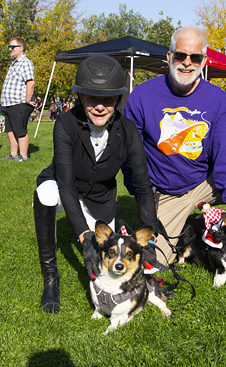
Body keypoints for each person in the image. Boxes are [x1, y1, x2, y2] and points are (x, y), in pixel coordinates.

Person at [124, 26, 226, 287]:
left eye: (195, 58)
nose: (187, 63)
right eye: (180, 56)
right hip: (165, 192)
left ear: (204, 61)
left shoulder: (218, 100)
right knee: (157, 260)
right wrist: (141, 194)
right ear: (169, 57)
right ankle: (189, 229)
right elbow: (129, 155)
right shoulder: (141, 96)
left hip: (206, 182)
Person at [33, 55, 158, 314]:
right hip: (62, 187)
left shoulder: (129, 130)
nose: (100, 107)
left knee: (108, 259)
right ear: (80, 97)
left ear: (117, 100)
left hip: (100, 198)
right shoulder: (65, 123)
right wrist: (84, 235)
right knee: (45, 193)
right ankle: (51, 277)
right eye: (92, 99)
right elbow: (66, 184)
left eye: (108, 100)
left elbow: (143, 186)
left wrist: (151, 234)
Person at [0, 37, 35, 162]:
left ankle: (24, 157)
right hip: (9, 103)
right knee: (10, 130)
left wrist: (27, 99)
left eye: (12, 47)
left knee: (20, 131)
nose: (10, 49)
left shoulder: (25, 63)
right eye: (9, 47)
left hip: (19, 103)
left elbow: (30, 82)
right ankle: (13, 154)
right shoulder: (14, 64)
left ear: (21, 48)